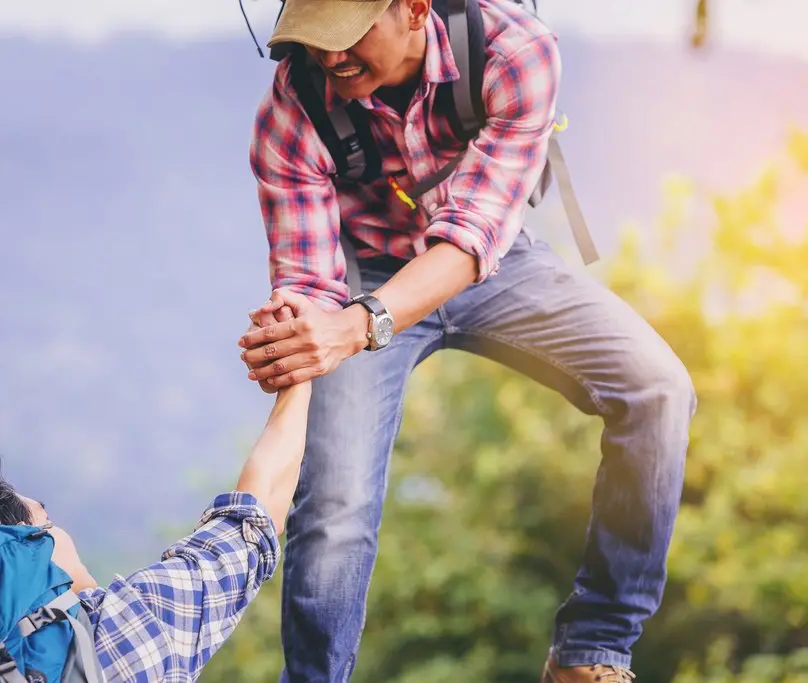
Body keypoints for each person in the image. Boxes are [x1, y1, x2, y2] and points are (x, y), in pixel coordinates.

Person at [238, 1, 697, 682]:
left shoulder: (516, 52)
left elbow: (470, 239)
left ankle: (591, 649)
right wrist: (293, 332)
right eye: (313, 45)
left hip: (491, 259)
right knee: (335, 507)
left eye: (347, 38)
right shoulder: (291, 112)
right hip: (361, 276)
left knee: (657, 387)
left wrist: (353, 326)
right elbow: (307, 276)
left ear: (416, 8)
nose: (331, 61)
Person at [0, 378, 310, 683]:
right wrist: (302, 365)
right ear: (21, 554)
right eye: (47, 525)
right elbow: (255, 515)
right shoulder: (115, 633)